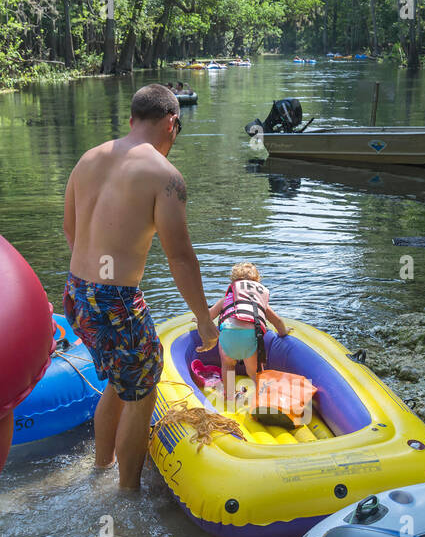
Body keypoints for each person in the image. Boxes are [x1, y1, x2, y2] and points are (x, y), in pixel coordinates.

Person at [63, 83, 218, 489]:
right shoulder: (164, 177)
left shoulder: (89, 158)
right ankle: (126, 494)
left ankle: (100, 469)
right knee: (143, 391)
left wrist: (94, 279)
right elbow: (180, 258)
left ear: (132, 120)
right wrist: (204, 321)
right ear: (172, 123)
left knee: (120, 380)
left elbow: (70, 231)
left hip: (76, 293)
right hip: (115, 300)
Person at [207, 262, 288, 408]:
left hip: (228, 332)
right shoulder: (258, 300)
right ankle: (262, 400)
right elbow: (278, 321)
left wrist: (198, 321)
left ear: (233, 282)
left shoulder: (227, 298)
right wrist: (284, 333)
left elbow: (209, 316)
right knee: (254, 372)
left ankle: (230, 396)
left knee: (227, 365)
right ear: (257, 281)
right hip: (251, 335)